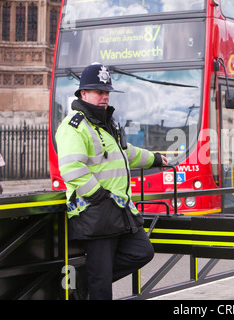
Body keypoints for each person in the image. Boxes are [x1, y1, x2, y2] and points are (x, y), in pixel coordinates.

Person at [55, 63, 168, 300]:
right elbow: (71, 168)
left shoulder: (107, 123)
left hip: (117, 210)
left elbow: (126, 153)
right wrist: (97, 194)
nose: (104, 96)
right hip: (95, 212)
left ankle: (83, 281)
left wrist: (155, 159)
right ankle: (91, 281)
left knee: (142, 252)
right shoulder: (73, 126)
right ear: (83, 93)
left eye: (106, 92)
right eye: (99, 92)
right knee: (102, 289)